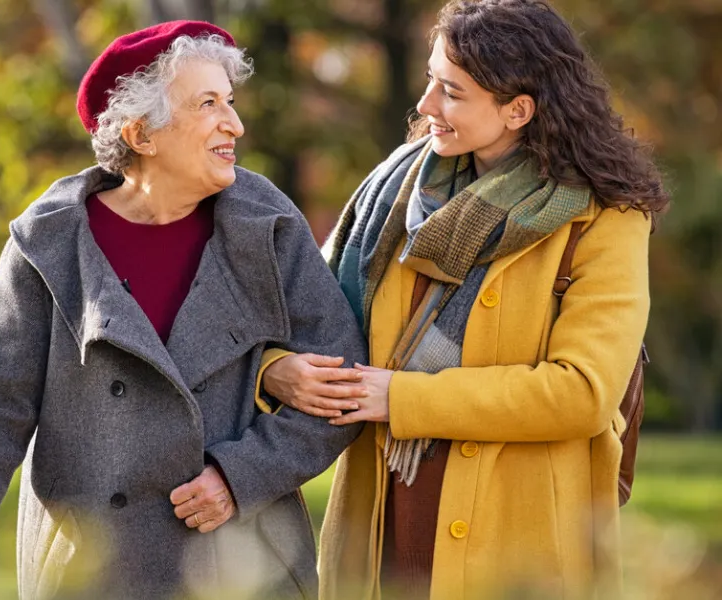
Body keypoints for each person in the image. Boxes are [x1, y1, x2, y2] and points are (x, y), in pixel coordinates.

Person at [0, 21, 367, 600]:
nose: (234, 124)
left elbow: (341, 382)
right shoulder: (50, 243)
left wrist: (242, 476)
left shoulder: (267, 224)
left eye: (231, 102)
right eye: (208, 104)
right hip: (94, 571)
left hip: (242, 563)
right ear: (142, 134)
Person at [259, 1, 668, 598]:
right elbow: (306, 319)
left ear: (517, 110)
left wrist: (403, 397)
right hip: (381, 524)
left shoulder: (604, 219)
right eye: (430, 79)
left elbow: (580, 392)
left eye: (451, 92)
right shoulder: (395, 196)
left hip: (516, 537)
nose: (425, 106)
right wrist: (278, 369)